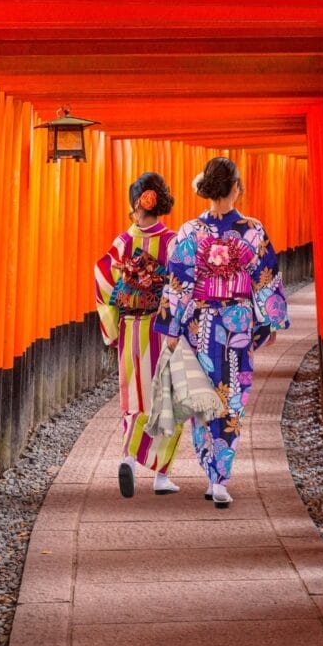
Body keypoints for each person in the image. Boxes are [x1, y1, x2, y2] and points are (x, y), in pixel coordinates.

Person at [154, 157, 289, 508]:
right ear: (235, 189)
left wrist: (173, 327)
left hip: (200, 323)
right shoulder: (252, 230)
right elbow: (266, 278)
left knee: (205, 398)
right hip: (237, 323)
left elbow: (178, 283)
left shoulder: (188, 232)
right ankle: (219, 477)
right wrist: (270, 320)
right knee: (231, 400)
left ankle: (211, 470)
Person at [94, 172, 182, 498]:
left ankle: (129, 458)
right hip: (162, 329)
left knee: (134, 395)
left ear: (137, 203)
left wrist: (112, 327)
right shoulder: (172, 241)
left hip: (131, 327)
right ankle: (161, 475)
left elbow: (102, 276)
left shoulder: (124, 241)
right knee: (168, 398)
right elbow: (180, 285)